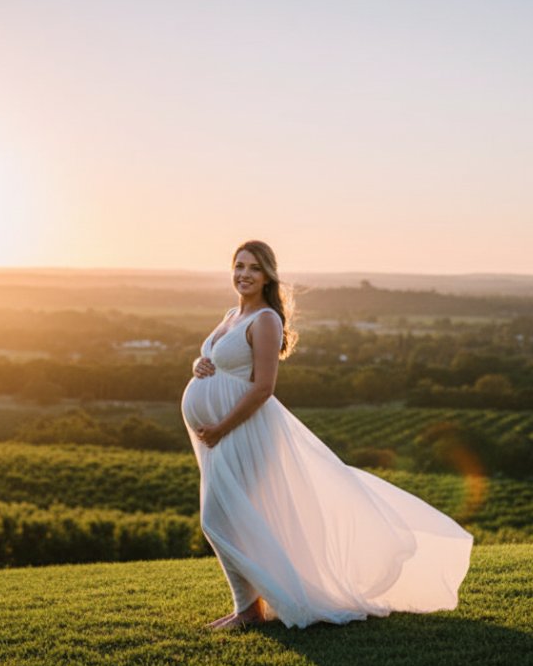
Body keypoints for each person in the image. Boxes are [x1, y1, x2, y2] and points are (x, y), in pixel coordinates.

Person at [180, 240, 473, 630]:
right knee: (234, 518)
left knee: (218, 519)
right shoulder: (232, 315)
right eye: (239, 266)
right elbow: (218, 360)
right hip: (218, 436)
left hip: (242, 430)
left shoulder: (265, 320)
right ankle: (248, 608)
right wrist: (199, 364)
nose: (244, 274)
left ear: (268, 276)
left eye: (254, 268)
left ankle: (248, 611)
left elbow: (263, 387)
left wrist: (220, 427)